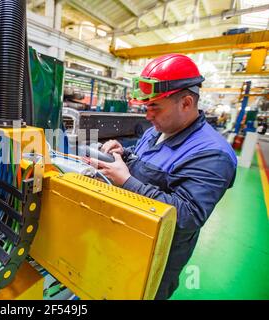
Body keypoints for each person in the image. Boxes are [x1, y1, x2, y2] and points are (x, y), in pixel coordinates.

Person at [87, 54, 237, 300]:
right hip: (124, 237)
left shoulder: (213, 154)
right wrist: (123, 153)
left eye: (155, 107)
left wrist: (126, 181)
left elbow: (187, 216)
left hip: (156, 257)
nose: (148, 116)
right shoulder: (158, 129)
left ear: (186, 103)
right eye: (146, 107)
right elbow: (143, 157)